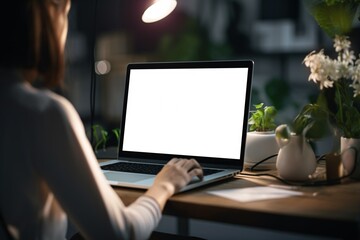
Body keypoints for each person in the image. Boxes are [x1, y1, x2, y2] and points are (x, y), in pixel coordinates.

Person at [0, 0, 204, 239]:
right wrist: (165, 185)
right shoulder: (43, 112)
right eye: (65, 14)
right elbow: (120, 234)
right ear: (47, 19)